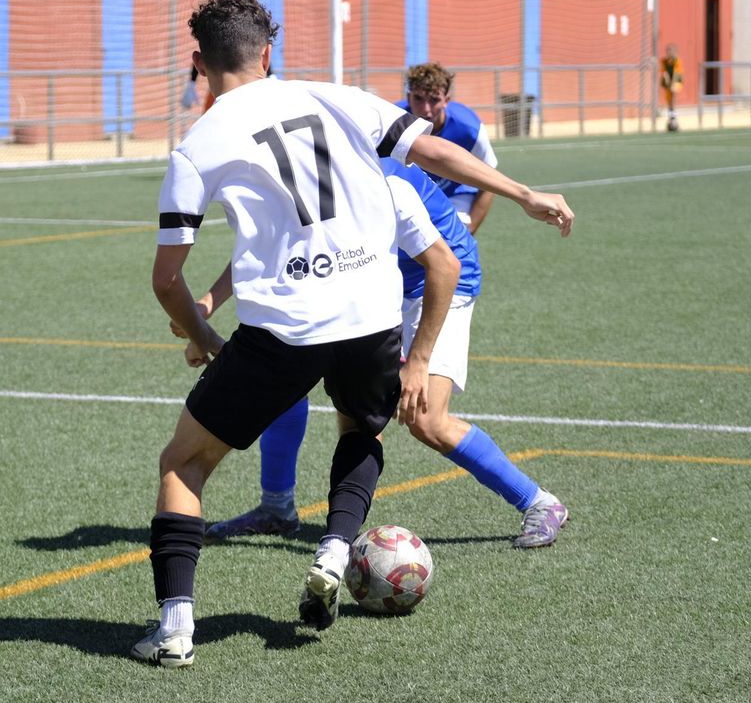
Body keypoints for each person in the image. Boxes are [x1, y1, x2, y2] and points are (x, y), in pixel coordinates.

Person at [137, 0, 574, 668]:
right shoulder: (339, 97)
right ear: (269, 53)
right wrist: (525, 195)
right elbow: (429, 151)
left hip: (287, 326)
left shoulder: (197, 147)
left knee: (185, 463)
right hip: (370, 315)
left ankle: (174, 629)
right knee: (360, 429)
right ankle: (331, 545)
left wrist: (205, 334)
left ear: (198, 63)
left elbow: (167, 280)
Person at [202, 155, 569, 549]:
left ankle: (539, 502)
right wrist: (205, 304)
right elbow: (266, 247)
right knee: (288, 369)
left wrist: (418, 362)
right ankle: (276, 508)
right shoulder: (306, 179)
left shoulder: (385, 182)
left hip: (440, 281)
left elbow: (444, 264)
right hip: (370, 282)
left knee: (427, 420)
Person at [397, 62, 498, 233]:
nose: (426, 110)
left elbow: (490, 181)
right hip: (410, 196)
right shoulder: (393, 123)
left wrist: (470, 229)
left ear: (446, 100)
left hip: (455, 194)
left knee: (451, 242)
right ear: (408, 98)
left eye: (434, 100)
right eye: (418, 99)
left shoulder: (469, 129)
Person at [660, 44, 683, 132]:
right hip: (668, 82)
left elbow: (677, 74)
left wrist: (672, 84)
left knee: (673, 96)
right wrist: (667, 82)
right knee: (669, 101)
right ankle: (671, 118)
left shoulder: (677, 61)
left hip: (676, 80)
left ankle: (673, 119)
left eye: (671, 51)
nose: (669, 53)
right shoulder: (664, 61)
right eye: (668, 51)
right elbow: (664, 73)